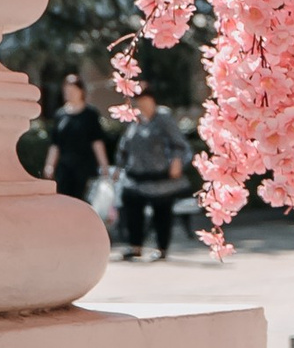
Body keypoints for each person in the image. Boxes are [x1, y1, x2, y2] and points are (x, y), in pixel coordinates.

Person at [115, 96, 193, 260]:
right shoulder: (134, 120)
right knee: (132, 207)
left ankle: (161, 248)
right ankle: (135, 246)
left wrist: (177, 161)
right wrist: (119, 166)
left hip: (161, 177)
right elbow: (125, 146)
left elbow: (179, 144)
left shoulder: (163, 118)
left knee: (162, 212)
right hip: (136, 176)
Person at [44, 73, 106, 204]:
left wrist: (104, 165)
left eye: (72, 90)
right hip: (65, 168)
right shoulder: (60, 115)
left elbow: (97, 142)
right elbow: (55, 144)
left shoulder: (90, 114)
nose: (69, 94)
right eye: (66, 90)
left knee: (83, 203)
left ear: (81, 91)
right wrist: (49, 165)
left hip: (84, 168)